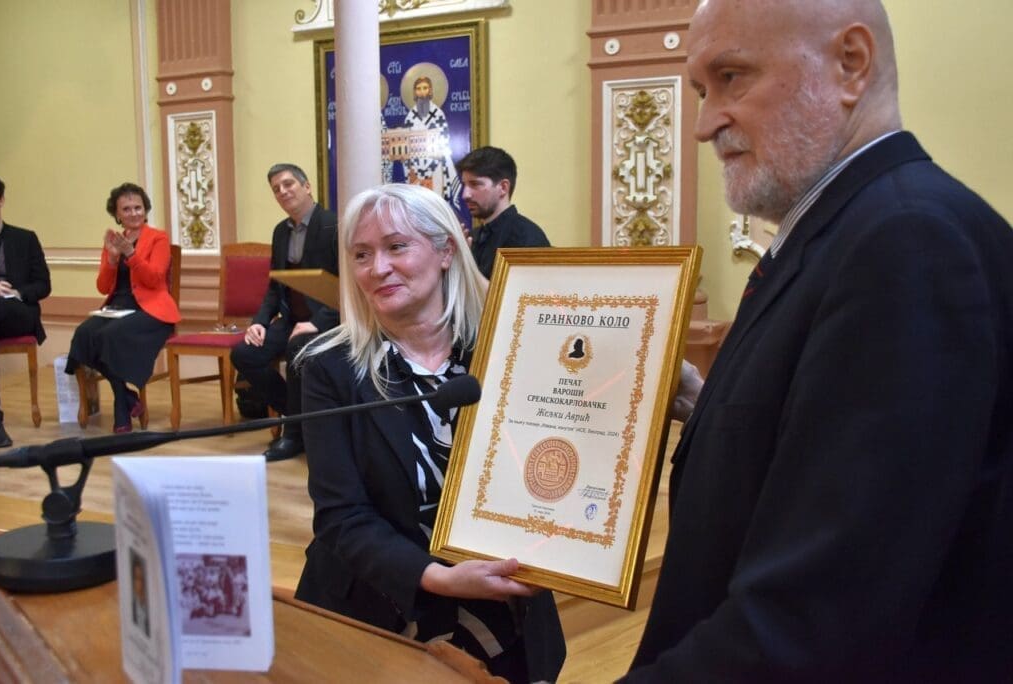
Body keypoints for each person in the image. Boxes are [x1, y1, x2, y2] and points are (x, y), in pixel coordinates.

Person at [623, 1, 1013, 681]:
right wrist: (710, 404)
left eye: (732, 77)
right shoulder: (856, 226)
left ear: (850, 65)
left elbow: (819, 621)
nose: (703, 123)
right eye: (699, 90)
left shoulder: (905, 242)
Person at [294, 184, 565, 683]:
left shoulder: (511, 347)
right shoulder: (329, 368)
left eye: (397, 246)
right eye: (361, 254)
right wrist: (438, 578)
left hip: (505, 604)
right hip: (380, 612)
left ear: (445, 251)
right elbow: (341, 517)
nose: (378, 268)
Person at [230, 163, 339, 462]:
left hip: (328, 320)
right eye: (276, 189)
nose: (283, 191)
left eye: (288, 184)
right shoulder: (280, 231)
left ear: (307, 187)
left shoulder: (333, 225)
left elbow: (346, 289)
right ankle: (298, 418)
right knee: (245, 354)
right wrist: (259, 323)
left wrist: (317, 323)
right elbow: (274, 286)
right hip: (290, 318)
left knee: (297, 346)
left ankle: (293, 435)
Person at [66, 183, 177, 434]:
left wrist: (132, 255)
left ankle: (121, 407)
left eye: (138, 207)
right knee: (84, 334)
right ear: (117, 214)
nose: (133, 213)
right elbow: (103, 287)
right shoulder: (114, 241)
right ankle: (127, 397)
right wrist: (113, 258)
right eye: (126, 209)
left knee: (108, 336)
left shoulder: (158, 238)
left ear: (145, 210)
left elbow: (155, 279)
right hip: (118, 306)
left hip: (151, 309)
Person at [0, 175, 51, 448]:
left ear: (1, 200)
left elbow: (43, 285)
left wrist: (16, 292)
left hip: (19, 312)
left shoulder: (25, 238)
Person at [455, 146, 549, 279]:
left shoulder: (528, 239)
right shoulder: (473, 236)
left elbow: (515, 297)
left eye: (475, 184)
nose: (465, 195)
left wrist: (466, 264)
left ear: (503, 188)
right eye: (464, 185)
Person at [402, 75, 460, 202]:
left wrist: (430, 167)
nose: (422, 92)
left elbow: (444, 141)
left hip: (435, 167)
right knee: (417, 204)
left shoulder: (438, 114)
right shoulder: (410, 117)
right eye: (418, 88)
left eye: (425, 88)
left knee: (435, 202)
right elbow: (406, 146)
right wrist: (411, 169)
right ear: (414, 92)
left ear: (430, 90)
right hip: (415, 169)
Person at [130, 551, 150, 636]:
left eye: (142, 579)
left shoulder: (150, 609)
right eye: (137, 579)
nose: (141, 584)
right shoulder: (132, 607)